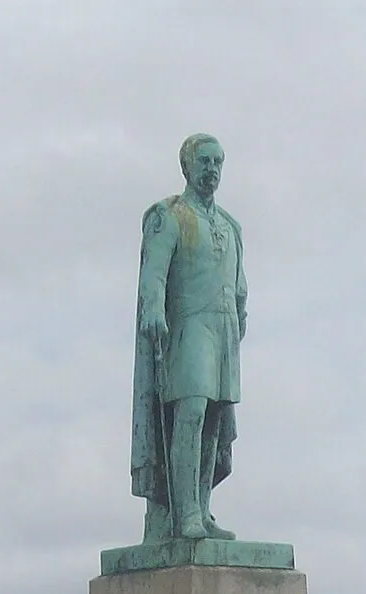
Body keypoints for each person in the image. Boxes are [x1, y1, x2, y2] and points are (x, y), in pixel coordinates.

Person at [130, 134, 245, 541]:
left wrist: (241, 318)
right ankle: (185, 515)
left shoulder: (231, 226)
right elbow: (154, 273)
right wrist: (152, 310)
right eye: (205, 162)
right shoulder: (169, 215)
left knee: (214, 419)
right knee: (191, 413)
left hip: (224, 328)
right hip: (188, 326)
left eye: (218, 162)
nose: (212, 170)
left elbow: (240, 283)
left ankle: (203, 507)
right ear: (187, 167)